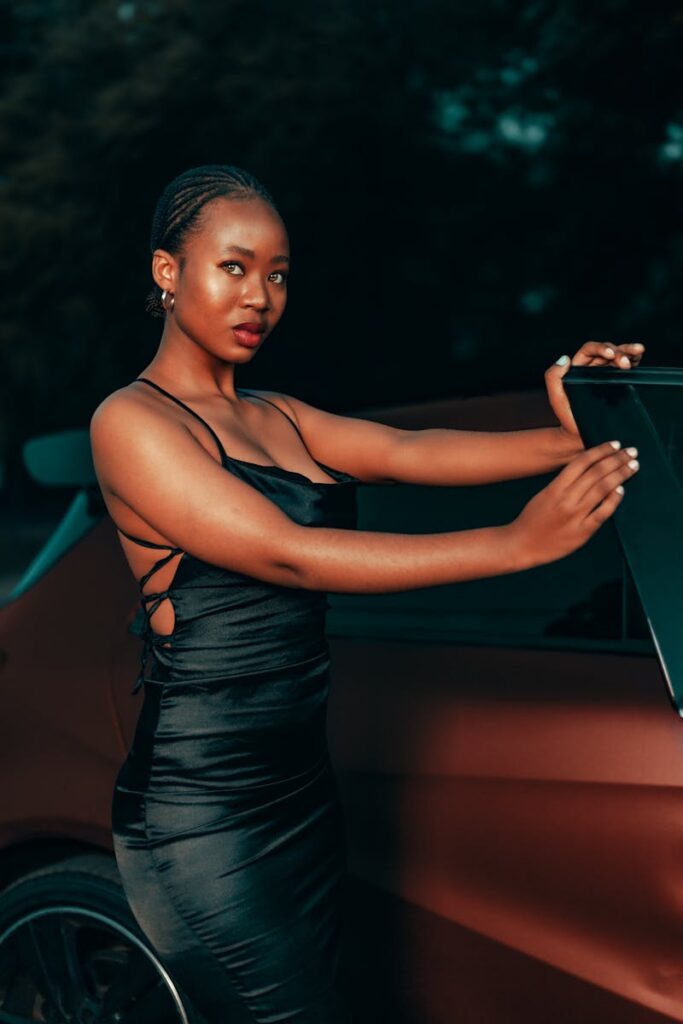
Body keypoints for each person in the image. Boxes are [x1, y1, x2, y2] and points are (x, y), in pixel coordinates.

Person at [89, 163, 645, 1023]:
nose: (259, 296)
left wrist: (573, 424)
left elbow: (416, 450)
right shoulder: (130, 421)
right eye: (233, 267)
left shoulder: (282, 414)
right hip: (201, 816)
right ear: (168, 272)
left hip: (302, 792)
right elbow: (290, 556)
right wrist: (511, 546)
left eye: (277, 274)